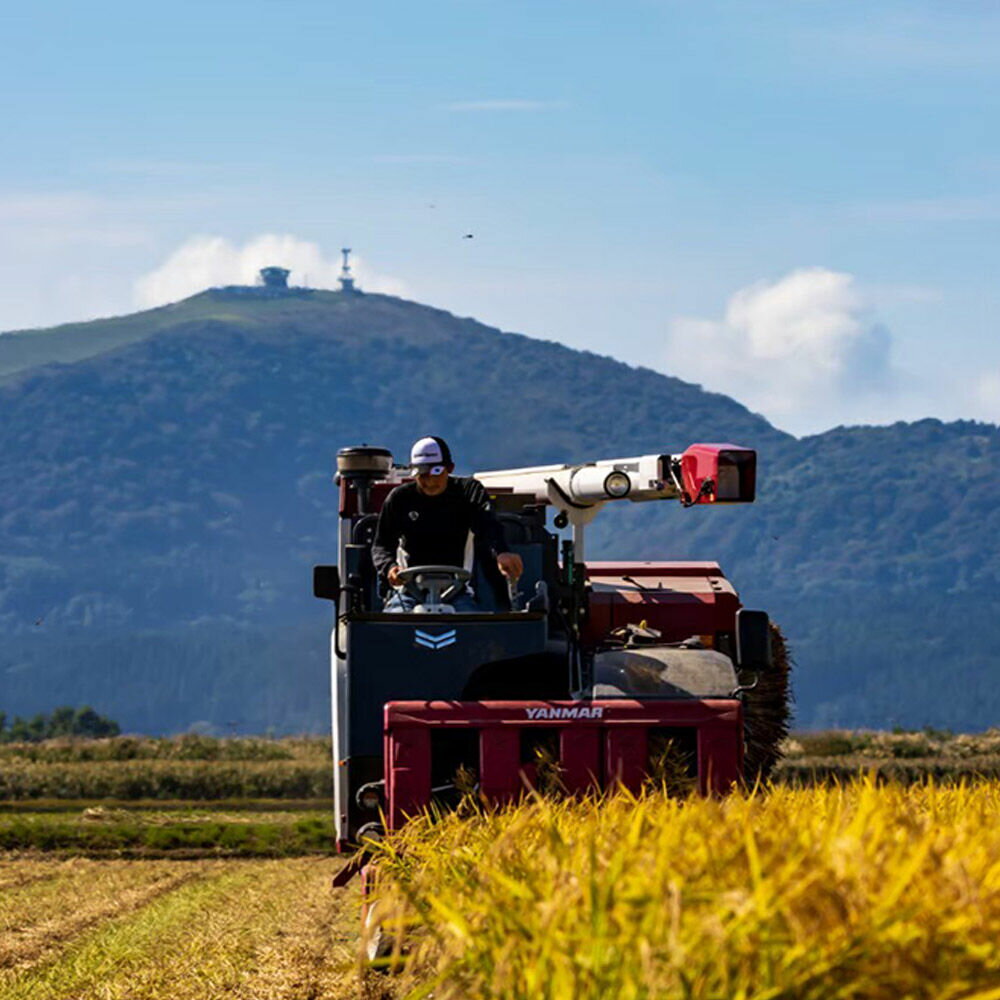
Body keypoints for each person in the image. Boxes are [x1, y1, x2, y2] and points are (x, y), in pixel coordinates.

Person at [371, 436, 523, 612]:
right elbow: (381, 545)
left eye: (435, 473)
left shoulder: (468, 492)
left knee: (472, 628)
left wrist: (501, 552)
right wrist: (390, 567)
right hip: (408, 591)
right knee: (392, 625)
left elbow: (488, 525)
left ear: (449, 469)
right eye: (422, 475)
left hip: (458, 591)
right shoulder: (400, 498)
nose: (430, 482)